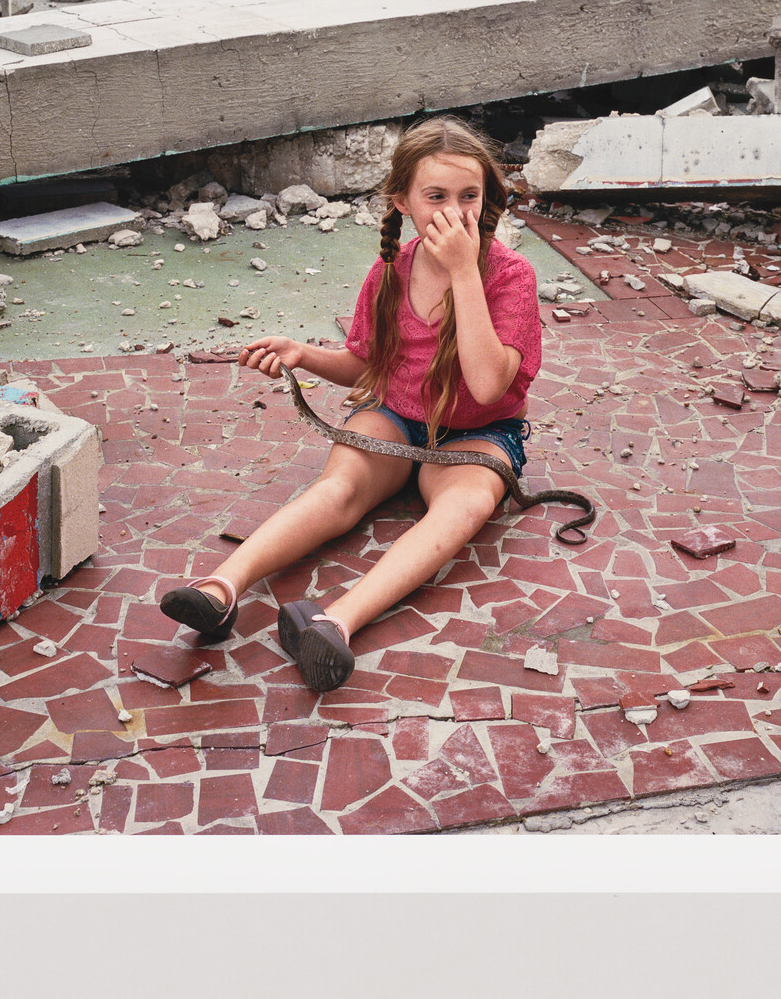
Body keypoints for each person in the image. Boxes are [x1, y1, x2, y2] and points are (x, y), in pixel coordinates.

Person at [158, 117, 543, 693]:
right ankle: (221, 591)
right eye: (435, 196)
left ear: (487, 199)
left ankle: (337, 623)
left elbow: (488, 387)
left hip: (477, 432)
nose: (454, 212)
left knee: (458, 513)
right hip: (394, 418)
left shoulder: (509, 275)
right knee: (336, 492)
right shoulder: (391, 271)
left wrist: (465, 270)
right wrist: (304, 354)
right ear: (402, 201)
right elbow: (368, 365)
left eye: (469, 196)